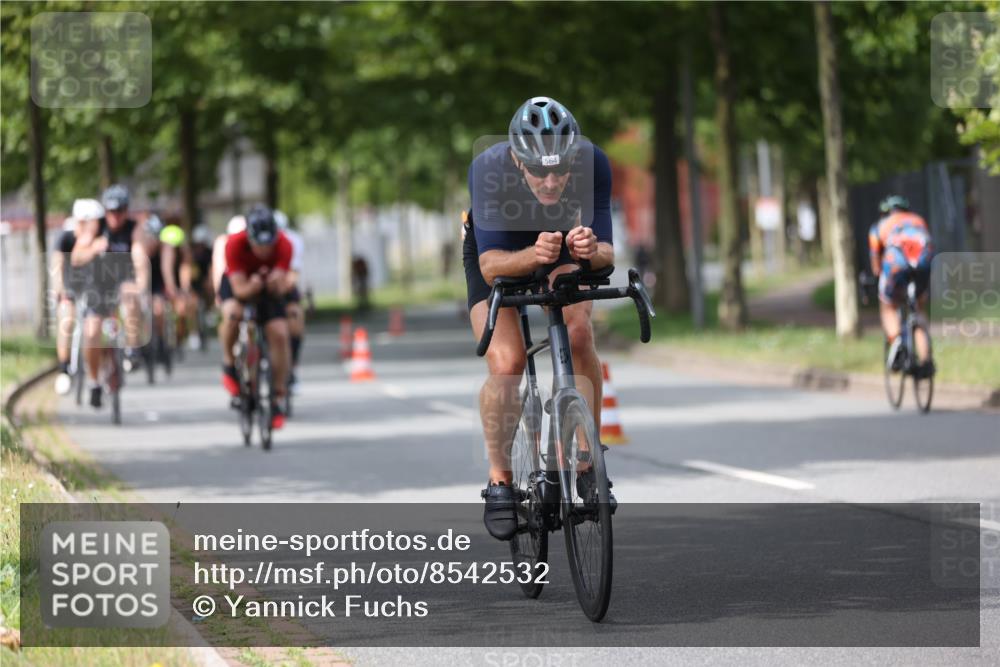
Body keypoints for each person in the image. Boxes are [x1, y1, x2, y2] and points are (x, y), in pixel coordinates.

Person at [465, 96, 615, 540]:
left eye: (560, 170)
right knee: (508, 362)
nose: (551, 182)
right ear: (516, 159)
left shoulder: (593, 162)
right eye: (539, 172)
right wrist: (533, 255)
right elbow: (491, 266)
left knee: (581, 331)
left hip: (562, 249)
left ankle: (587, 463)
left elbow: (608, 252)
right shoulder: (489, 168)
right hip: (499, 251)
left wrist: (591, 251)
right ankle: (499, 480)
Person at [70, 186, 148, 408]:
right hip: (98, 286)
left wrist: (141, 284)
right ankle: (94, 381)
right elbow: (76, 256)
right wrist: (94, 248)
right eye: (112, 211)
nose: (116, 216)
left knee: (130, 294)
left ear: (126, 210)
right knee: (92, 331)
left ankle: (132, 349)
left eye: (121, 210)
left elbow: (140, 258)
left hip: (123, 284)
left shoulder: (134, 228)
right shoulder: (96, 226)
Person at [218, 205, 293, 429]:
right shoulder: (234, 244)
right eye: (257, 245)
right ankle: (230, 364)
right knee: (233, 315)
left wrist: (273, 283)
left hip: (268, 290)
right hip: (240, 284)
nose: (263, 251)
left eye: (267, 245)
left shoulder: (284, 244)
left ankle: (278, 395)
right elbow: (239, 290)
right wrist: (253, 285)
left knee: (280, 333)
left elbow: (281, 283)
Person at [868, 195, 935, 377]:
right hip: (923, 264)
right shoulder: (918, 220)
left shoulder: (880, 225)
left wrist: (877, 275)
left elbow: (875, 260)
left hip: (897, 265)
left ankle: (897, 341)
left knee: (888, 306)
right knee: (919, 310)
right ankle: (926, 361)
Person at [274, 210, 305, 392]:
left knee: (295, 321)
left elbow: (294, 273)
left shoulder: (292, 242)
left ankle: (291, 368)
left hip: (284, 286)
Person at [52, 215, 80, 395]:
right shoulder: (64, 242)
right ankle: (63, 369)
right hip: (70, 289)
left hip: (95, 290)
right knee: (67, 320)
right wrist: (60, 291)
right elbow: (57, 268)